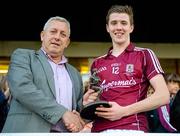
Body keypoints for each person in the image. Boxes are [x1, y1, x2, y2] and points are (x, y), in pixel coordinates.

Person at [84, 5, 170, 132]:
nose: (119, 27)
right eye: (114, 23)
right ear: (108, 28)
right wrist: (87, 102)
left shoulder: (144, 54)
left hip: (132, 128)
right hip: (98, 130)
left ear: (131, 27)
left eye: (123, 23)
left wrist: (123, 111)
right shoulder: (97, 63)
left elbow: (163, 96)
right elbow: (95, 102)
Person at [2, 16, 86, 133]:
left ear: (67, 42)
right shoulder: (23, 56)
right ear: (42, 35)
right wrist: (62, 113)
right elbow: (22, 89)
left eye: (63, 34)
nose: (57, 37)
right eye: (53, 32)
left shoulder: (75, 73)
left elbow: (76, 110)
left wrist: (83, 106)